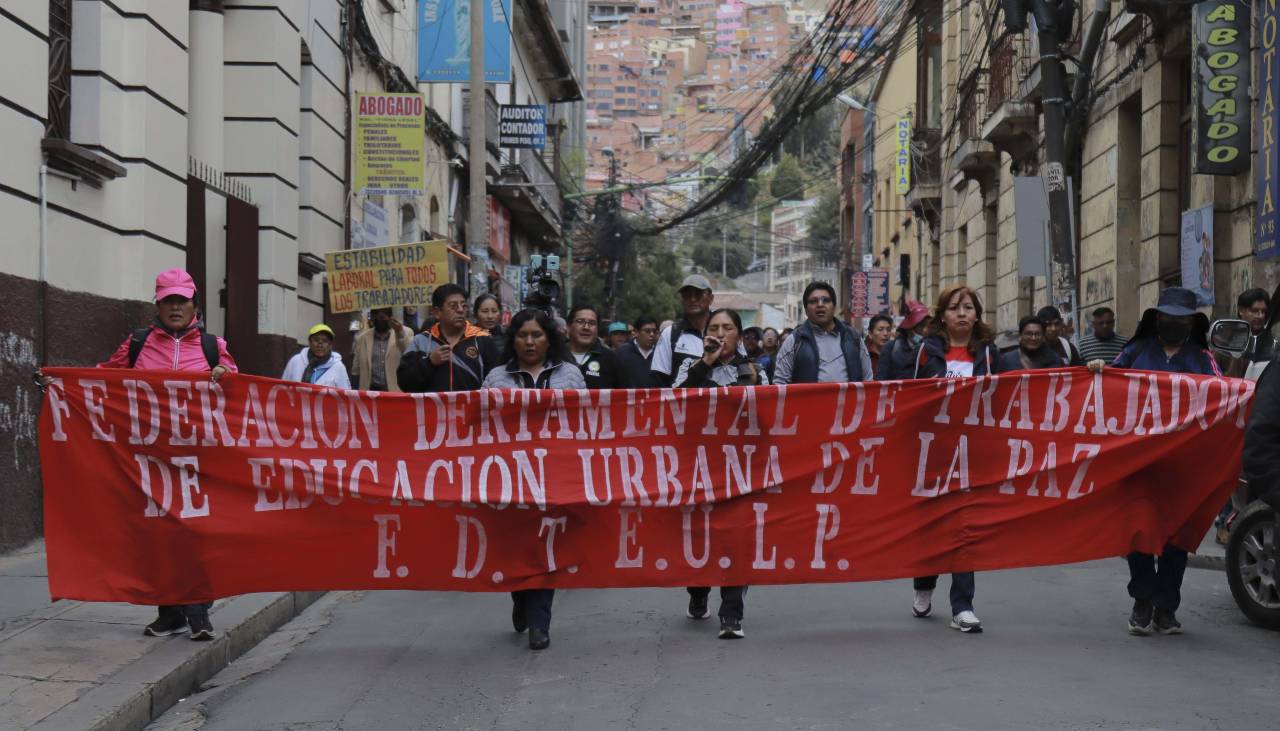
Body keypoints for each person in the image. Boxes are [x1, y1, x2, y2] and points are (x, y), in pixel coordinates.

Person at [40, 268, 237, 641]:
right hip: (148, 458)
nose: (176, 307)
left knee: (196, 531)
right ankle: (169, 612)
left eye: (182, 300)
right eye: (168, 301)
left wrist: (224, 372)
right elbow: (102, 378)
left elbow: (237, 386)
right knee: (158, 533)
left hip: (199, 457)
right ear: (158, 305)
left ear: (195, 303)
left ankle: (198, 610)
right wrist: (61, 383)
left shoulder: (213, 346)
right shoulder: (137, 344)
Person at [1086, 286, 1222, 636]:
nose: (1172, 323)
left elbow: (1222, 397)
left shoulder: (1201, 358)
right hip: (1139, 463)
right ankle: (1142, 600)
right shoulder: (1136, 351)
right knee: (1139, 532)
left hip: (1183, 465)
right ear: (1156, 318)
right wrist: (1099, 369)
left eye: (1180, 319)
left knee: (1177, 537)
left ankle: (1166, 607)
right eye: (1166, 317)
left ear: (1191, 323)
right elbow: (1110, 385)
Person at [481, 309, 587, 650]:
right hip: (509, 478)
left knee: (547, 545)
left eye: (537, 335)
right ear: (513, 340)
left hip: (555, 478)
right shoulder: (497, 378)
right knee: (517, 545)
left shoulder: (570, 375)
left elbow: (586, 421)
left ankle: (540, 622)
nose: (530, 342)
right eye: (523, 335)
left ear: (549, 339)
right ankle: (521, 598)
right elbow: (479, 425)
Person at [910, 285, 1003, 633]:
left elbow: (1012, 394)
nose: (961, 313)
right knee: (933, 524)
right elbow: (912, 397)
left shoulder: (990, 353)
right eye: (954, 307)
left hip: (974, 455)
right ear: (942, 315)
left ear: (977, 313)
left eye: (968, 307)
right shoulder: (927, 350)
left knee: (965, 529)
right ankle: (924, 582)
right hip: (933, 454)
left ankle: (962, 606)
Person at [672, 308, 766, 639]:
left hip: (741, 468)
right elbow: (676, 403)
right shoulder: (690, 366)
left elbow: (768, 417)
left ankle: (731, 614)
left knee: (737, 538)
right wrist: (706, 362)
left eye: (728, 328)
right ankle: (698, 592)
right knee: (700, 534)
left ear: (739, 336)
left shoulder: (756, 371)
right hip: (698, 467)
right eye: (714, 327)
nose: (721, 333)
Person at [399, 284, 499, 392]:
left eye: (464, 305)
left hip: (472, 408)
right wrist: (429, 363)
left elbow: (496, 383)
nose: (460, 310)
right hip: (433, 408)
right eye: (453, 306)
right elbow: (404, 383)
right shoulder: (420, 341)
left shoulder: (482, 339)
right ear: (437, 313)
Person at [772, 282, 873, 386]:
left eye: (826, 300)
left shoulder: (854, 338)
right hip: (807, 402)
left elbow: (868, 381)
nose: (820, 305)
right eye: (813, 301)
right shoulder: (795, 340)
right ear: (806, 310)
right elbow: (780, 385)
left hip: (849, 402)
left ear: (834, 307)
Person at [651, 274, 717, 387]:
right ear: (682, 300)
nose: (692, 299)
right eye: (687, 295)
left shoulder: (724, 332)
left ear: (711, 299)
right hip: (681, 403)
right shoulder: (670, 333)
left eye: (698, 294)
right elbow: (658, 381)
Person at [350, 307, 414, 392]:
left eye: (382, 318)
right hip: (370, 392)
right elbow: (356, 370)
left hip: (395, 392)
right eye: (376, 317)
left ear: (390, 318)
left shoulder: (405, 332)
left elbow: (410, 354)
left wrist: (399, 332)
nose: (379, 320)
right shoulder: (362, 338)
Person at [565, 304, 629, 389]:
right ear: (568, 327)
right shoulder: (555, 356)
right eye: (580, 321)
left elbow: (623, 396)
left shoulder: (611, 359)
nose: (586, 327)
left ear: (597, 329)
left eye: (592, 323)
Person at [281, 324, 350, 388]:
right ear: (310, 343)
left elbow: (345, 394)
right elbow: (283, 387)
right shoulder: (295, 361)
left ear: (330, 345)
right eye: (316, 340)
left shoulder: (338, 366)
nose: (320, 345)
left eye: (325, 341)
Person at [876, 300, 931, 381]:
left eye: (926, 326)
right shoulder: (890, 349)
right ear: (909, 329)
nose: (924, 330)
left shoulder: (931, 348)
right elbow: (881, 382)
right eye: (921, 326)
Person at [999, 316, 1065, 371]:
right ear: (1020, 336)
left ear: (1043, 337)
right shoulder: (1007, 360)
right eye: (1029, 334)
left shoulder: (1055, 360)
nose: (1033, 338)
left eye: (1038, 334)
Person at [616, 316, 659, 387]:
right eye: (647, 331)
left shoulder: (661, 353)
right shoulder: (621, 353)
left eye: (654, 331)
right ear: (636, 332)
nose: (652, 334)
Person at [1238, 288, 1273, 363]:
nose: (1260, 316)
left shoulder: (1271, 342)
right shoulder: (1228, 339)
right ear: (1241, 311)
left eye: (1263, 311)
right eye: (1254, 311)